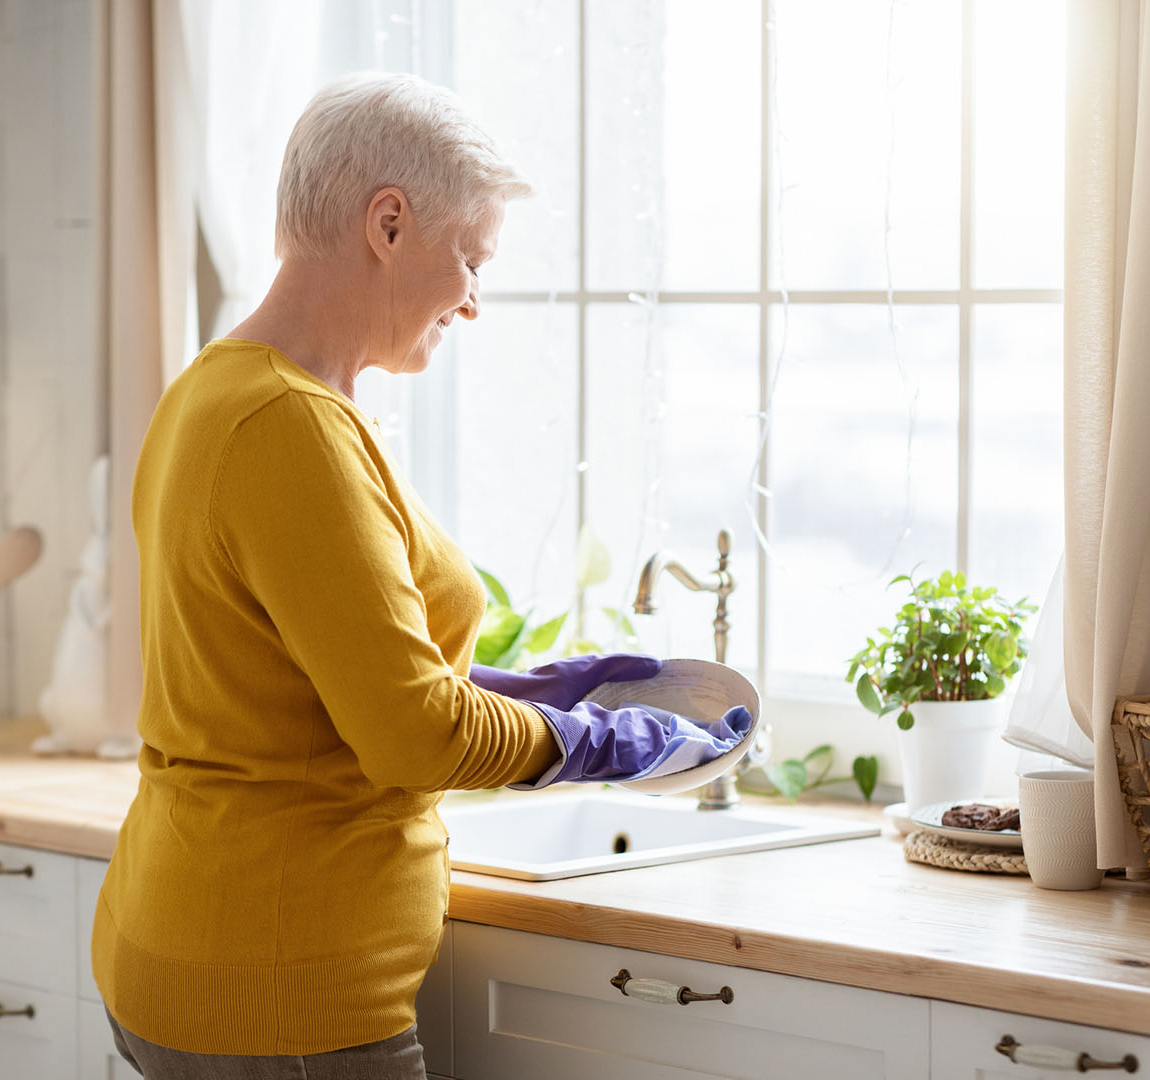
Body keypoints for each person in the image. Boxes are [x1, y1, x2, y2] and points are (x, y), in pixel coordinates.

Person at [92, 72, 750, 1079]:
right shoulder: (293, 426)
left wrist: (523, 689)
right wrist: (600, 742)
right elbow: (410, 734)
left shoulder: (210, 393)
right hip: (284, 991)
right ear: (388, 224)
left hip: (186, 945)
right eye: (470, 260)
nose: (475, 302)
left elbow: (297, 686)